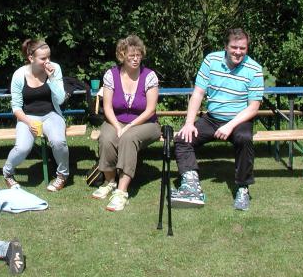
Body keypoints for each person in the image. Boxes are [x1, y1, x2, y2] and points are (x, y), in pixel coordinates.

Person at [172, 28, 264, 211]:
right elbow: (198, 93)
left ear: (247, 48)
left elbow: (253, 107)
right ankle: (191, 185)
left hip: (239, 120)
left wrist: (230, 126)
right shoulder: (211, 60)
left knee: (244, 138)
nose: (238, 52)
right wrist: (189, 123)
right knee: (182, 138)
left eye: (242, 48)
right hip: (212, 118)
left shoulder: (254, 69)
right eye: (234, 47)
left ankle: (243, 188)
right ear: (226, 46)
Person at [91, 35, 161, 212]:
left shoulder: (149, 76)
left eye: (138, 55)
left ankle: (122, 192)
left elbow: (150, 110)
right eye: (131, 56)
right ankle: (109, 181)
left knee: (128, 138)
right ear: (122, 56)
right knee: (106, 137)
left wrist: (128, 127)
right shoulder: (111, 74)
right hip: (116, 120)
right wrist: (117, 126)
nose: (136, 59)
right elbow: (107, 107)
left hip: (146, 123)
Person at [3, 39, 70, 192]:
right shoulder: (19, 75)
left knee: (59, 142)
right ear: (31, 58)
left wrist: (51, 78)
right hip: (27, 117)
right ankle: (7, 173)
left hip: (51, 114)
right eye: (43, 58)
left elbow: (60, 100)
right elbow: (16, 108)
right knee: (22, 148)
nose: (48, 61)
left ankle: (62, 175)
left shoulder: (55, 69)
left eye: (49, 57)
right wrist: (28, 122)